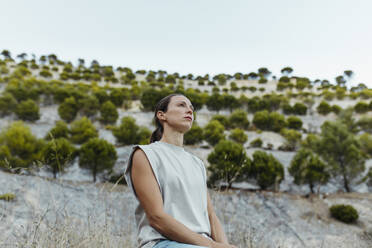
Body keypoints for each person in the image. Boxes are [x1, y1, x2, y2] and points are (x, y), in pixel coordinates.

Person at [124, 94, 237, 248]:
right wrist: (212, 246)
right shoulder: (145, 154)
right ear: (161, 115)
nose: (189, 111)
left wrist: (225, 246)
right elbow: (156, 217)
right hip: (162, 243)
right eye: (181, 105)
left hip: (201, 245)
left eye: (191, 108)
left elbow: (210, 216)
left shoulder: (197, 164)